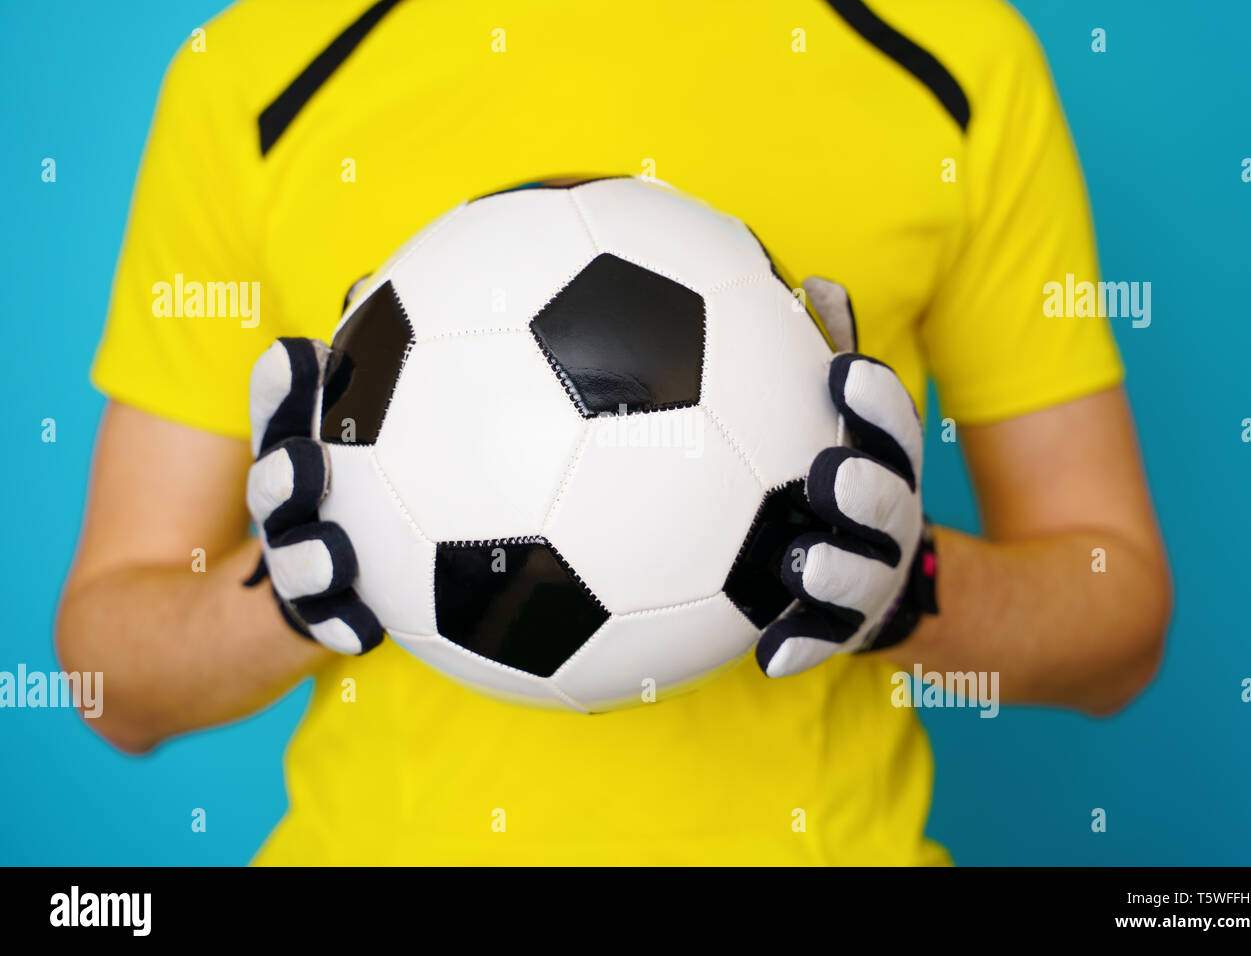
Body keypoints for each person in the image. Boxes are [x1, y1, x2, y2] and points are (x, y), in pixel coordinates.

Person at [57, 0, 1171, 865]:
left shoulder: (948, 61)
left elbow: (1117, 625)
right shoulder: (262, 73)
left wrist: (904, 585)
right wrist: (301, 590)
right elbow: (111, 674)